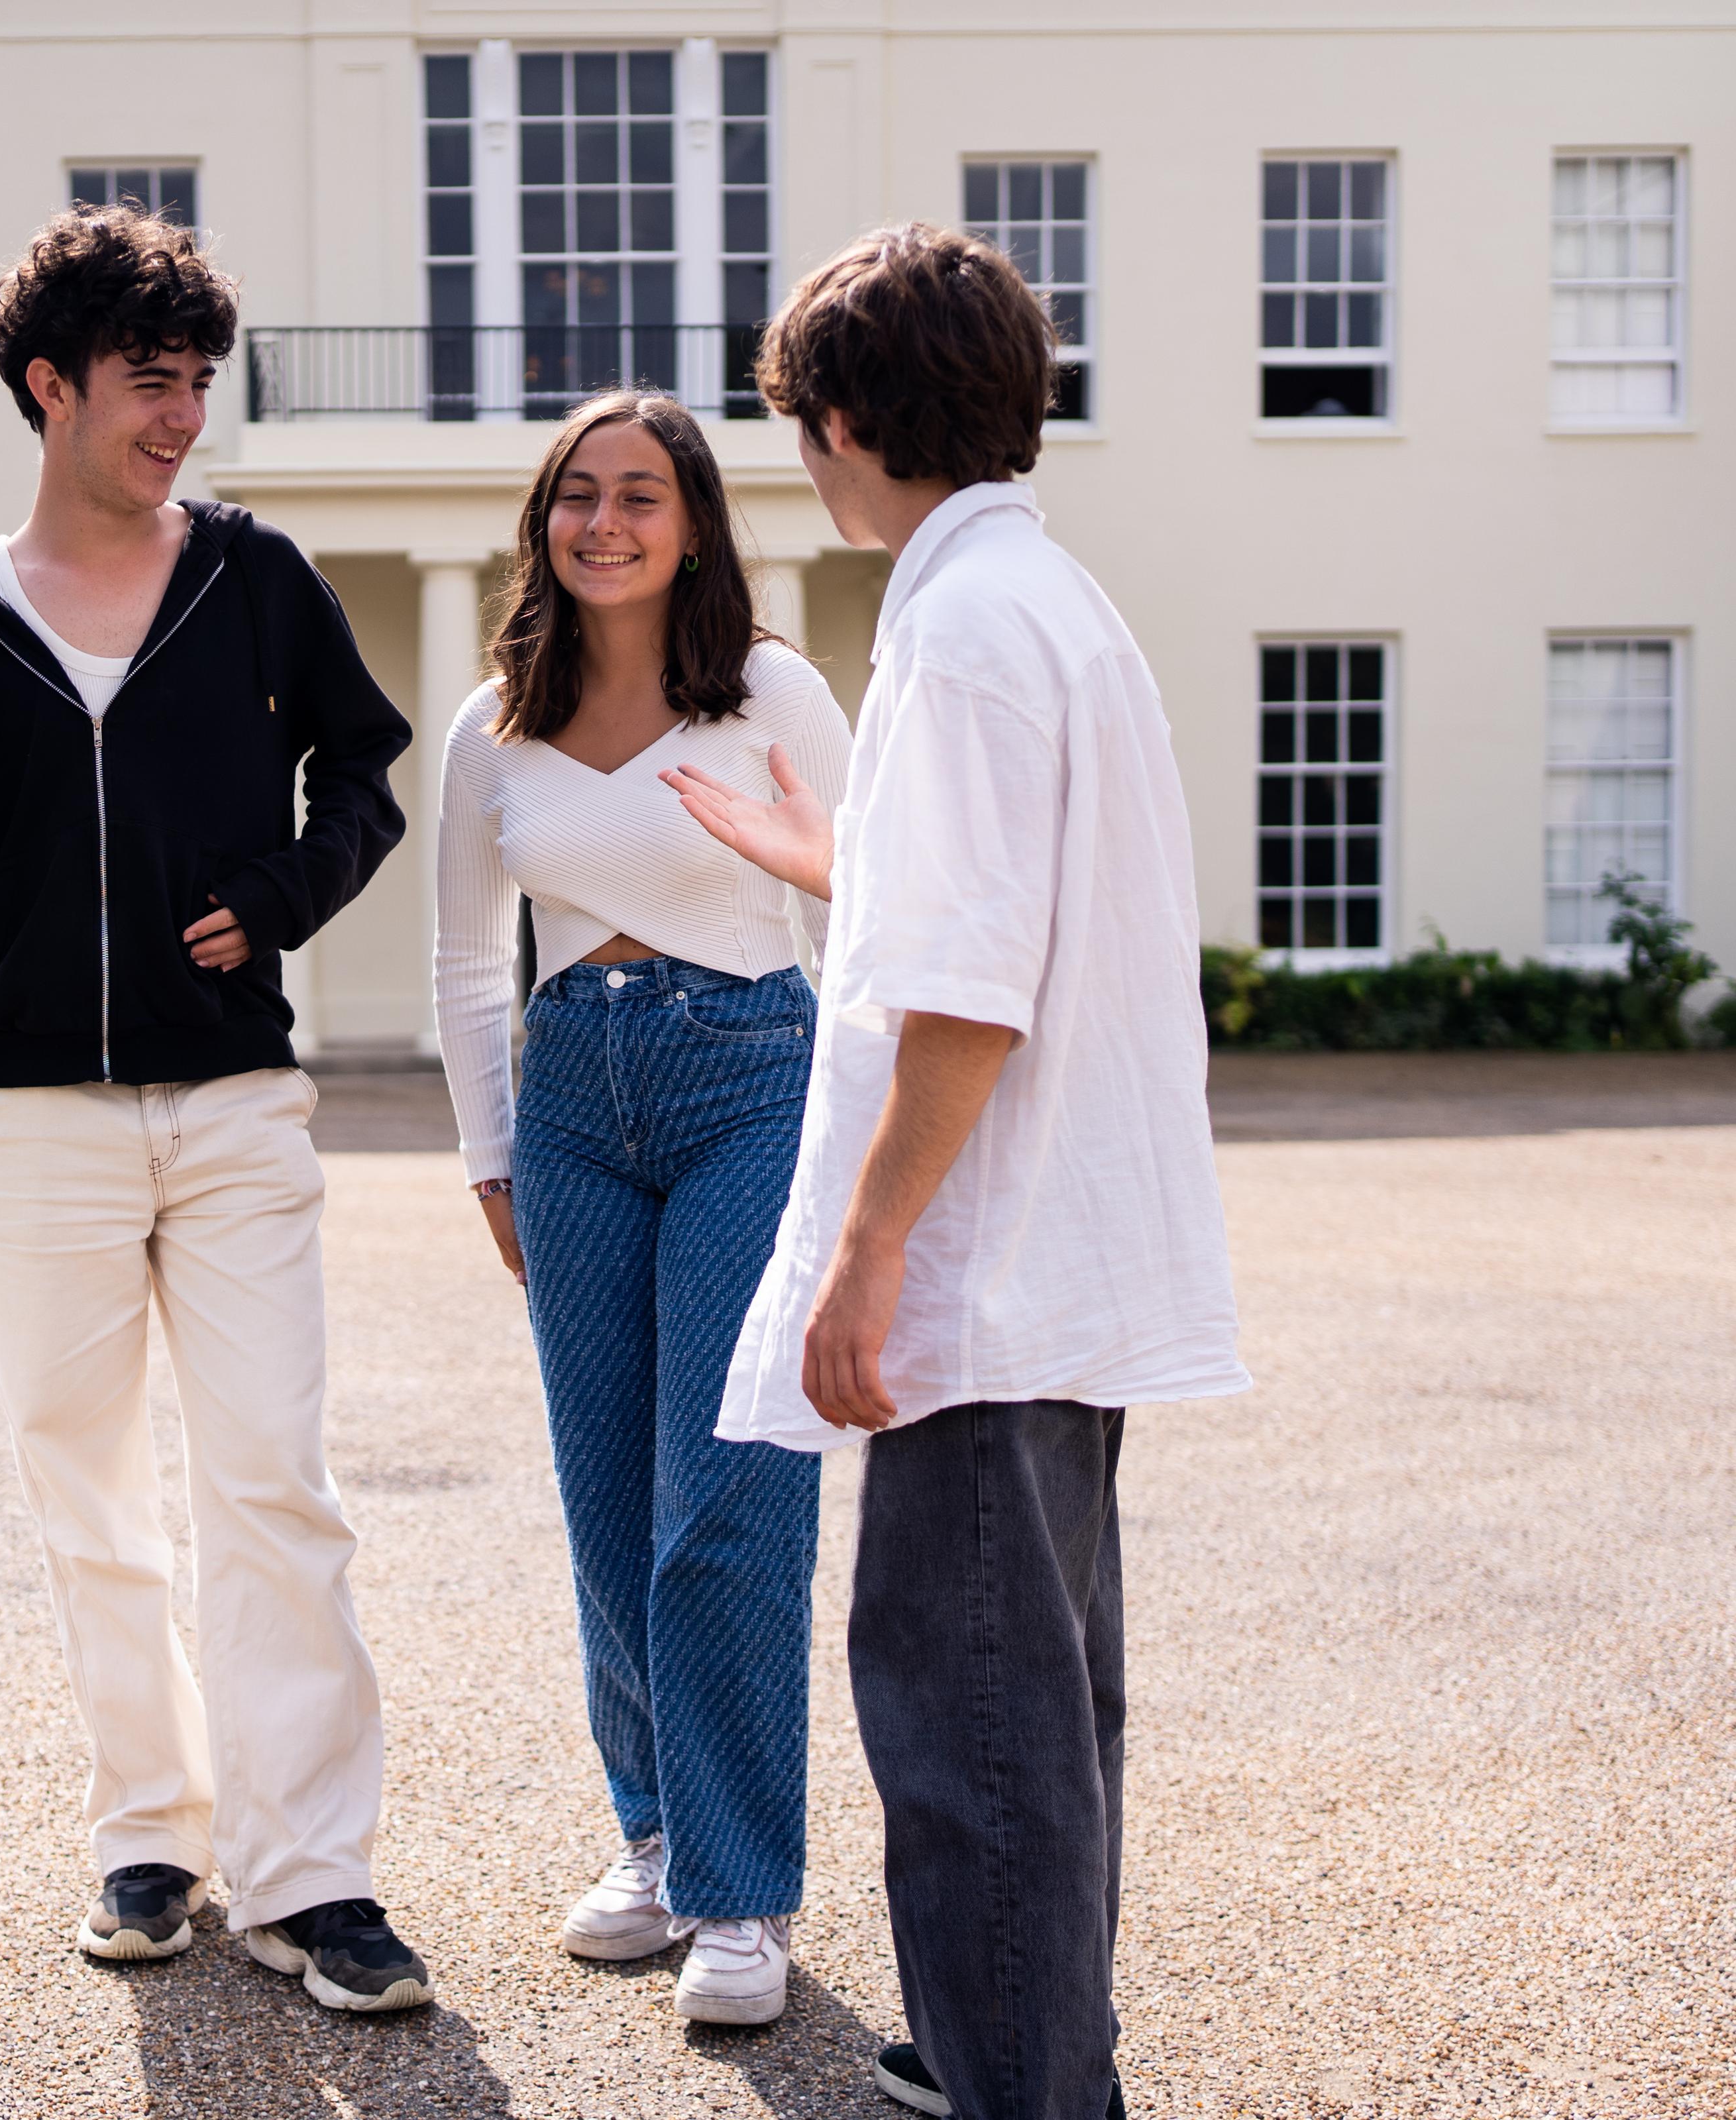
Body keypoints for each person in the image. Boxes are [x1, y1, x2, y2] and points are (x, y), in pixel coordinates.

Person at [669, 227, 1249, 2117]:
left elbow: (972, 994)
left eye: (798, 430)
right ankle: (1027, 2060)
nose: (800, 467)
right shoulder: (1043, 600)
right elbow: (996, 915)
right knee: (1048, 1719)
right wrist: (828, 855)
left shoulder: (965, 630)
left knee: (969, 1732)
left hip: (989, 1284)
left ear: (845, 417)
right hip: (1058, 1279)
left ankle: (1024, 2089)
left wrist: (865, 1259)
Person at [0, 206, 429, 2013]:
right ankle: (151, 1839)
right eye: (147, 383)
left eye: (199, 380)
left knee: (276, 1481)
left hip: (238, 1105)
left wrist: (281, 893)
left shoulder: (257, 578)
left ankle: (314, 1878)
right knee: (89, 1495)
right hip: (32, 1114)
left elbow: (366, 772)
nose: (183, 415)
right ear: (51, 387)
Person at [433, 391, 852, 2027]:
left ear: (693, 524)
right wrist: (490, 1154)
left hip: (749, 1077)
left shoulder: (772, 690)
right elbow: (472, 962)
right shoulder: (495, 722)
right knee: (608, 1491)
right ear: (545, 520)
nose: (604, 524)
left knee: (729, 1488)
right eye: (577, 497)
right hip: (571, 1103)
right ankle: (662, 1832)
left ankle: (744, 1893)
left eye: (642, 497)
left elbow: (880, 888)